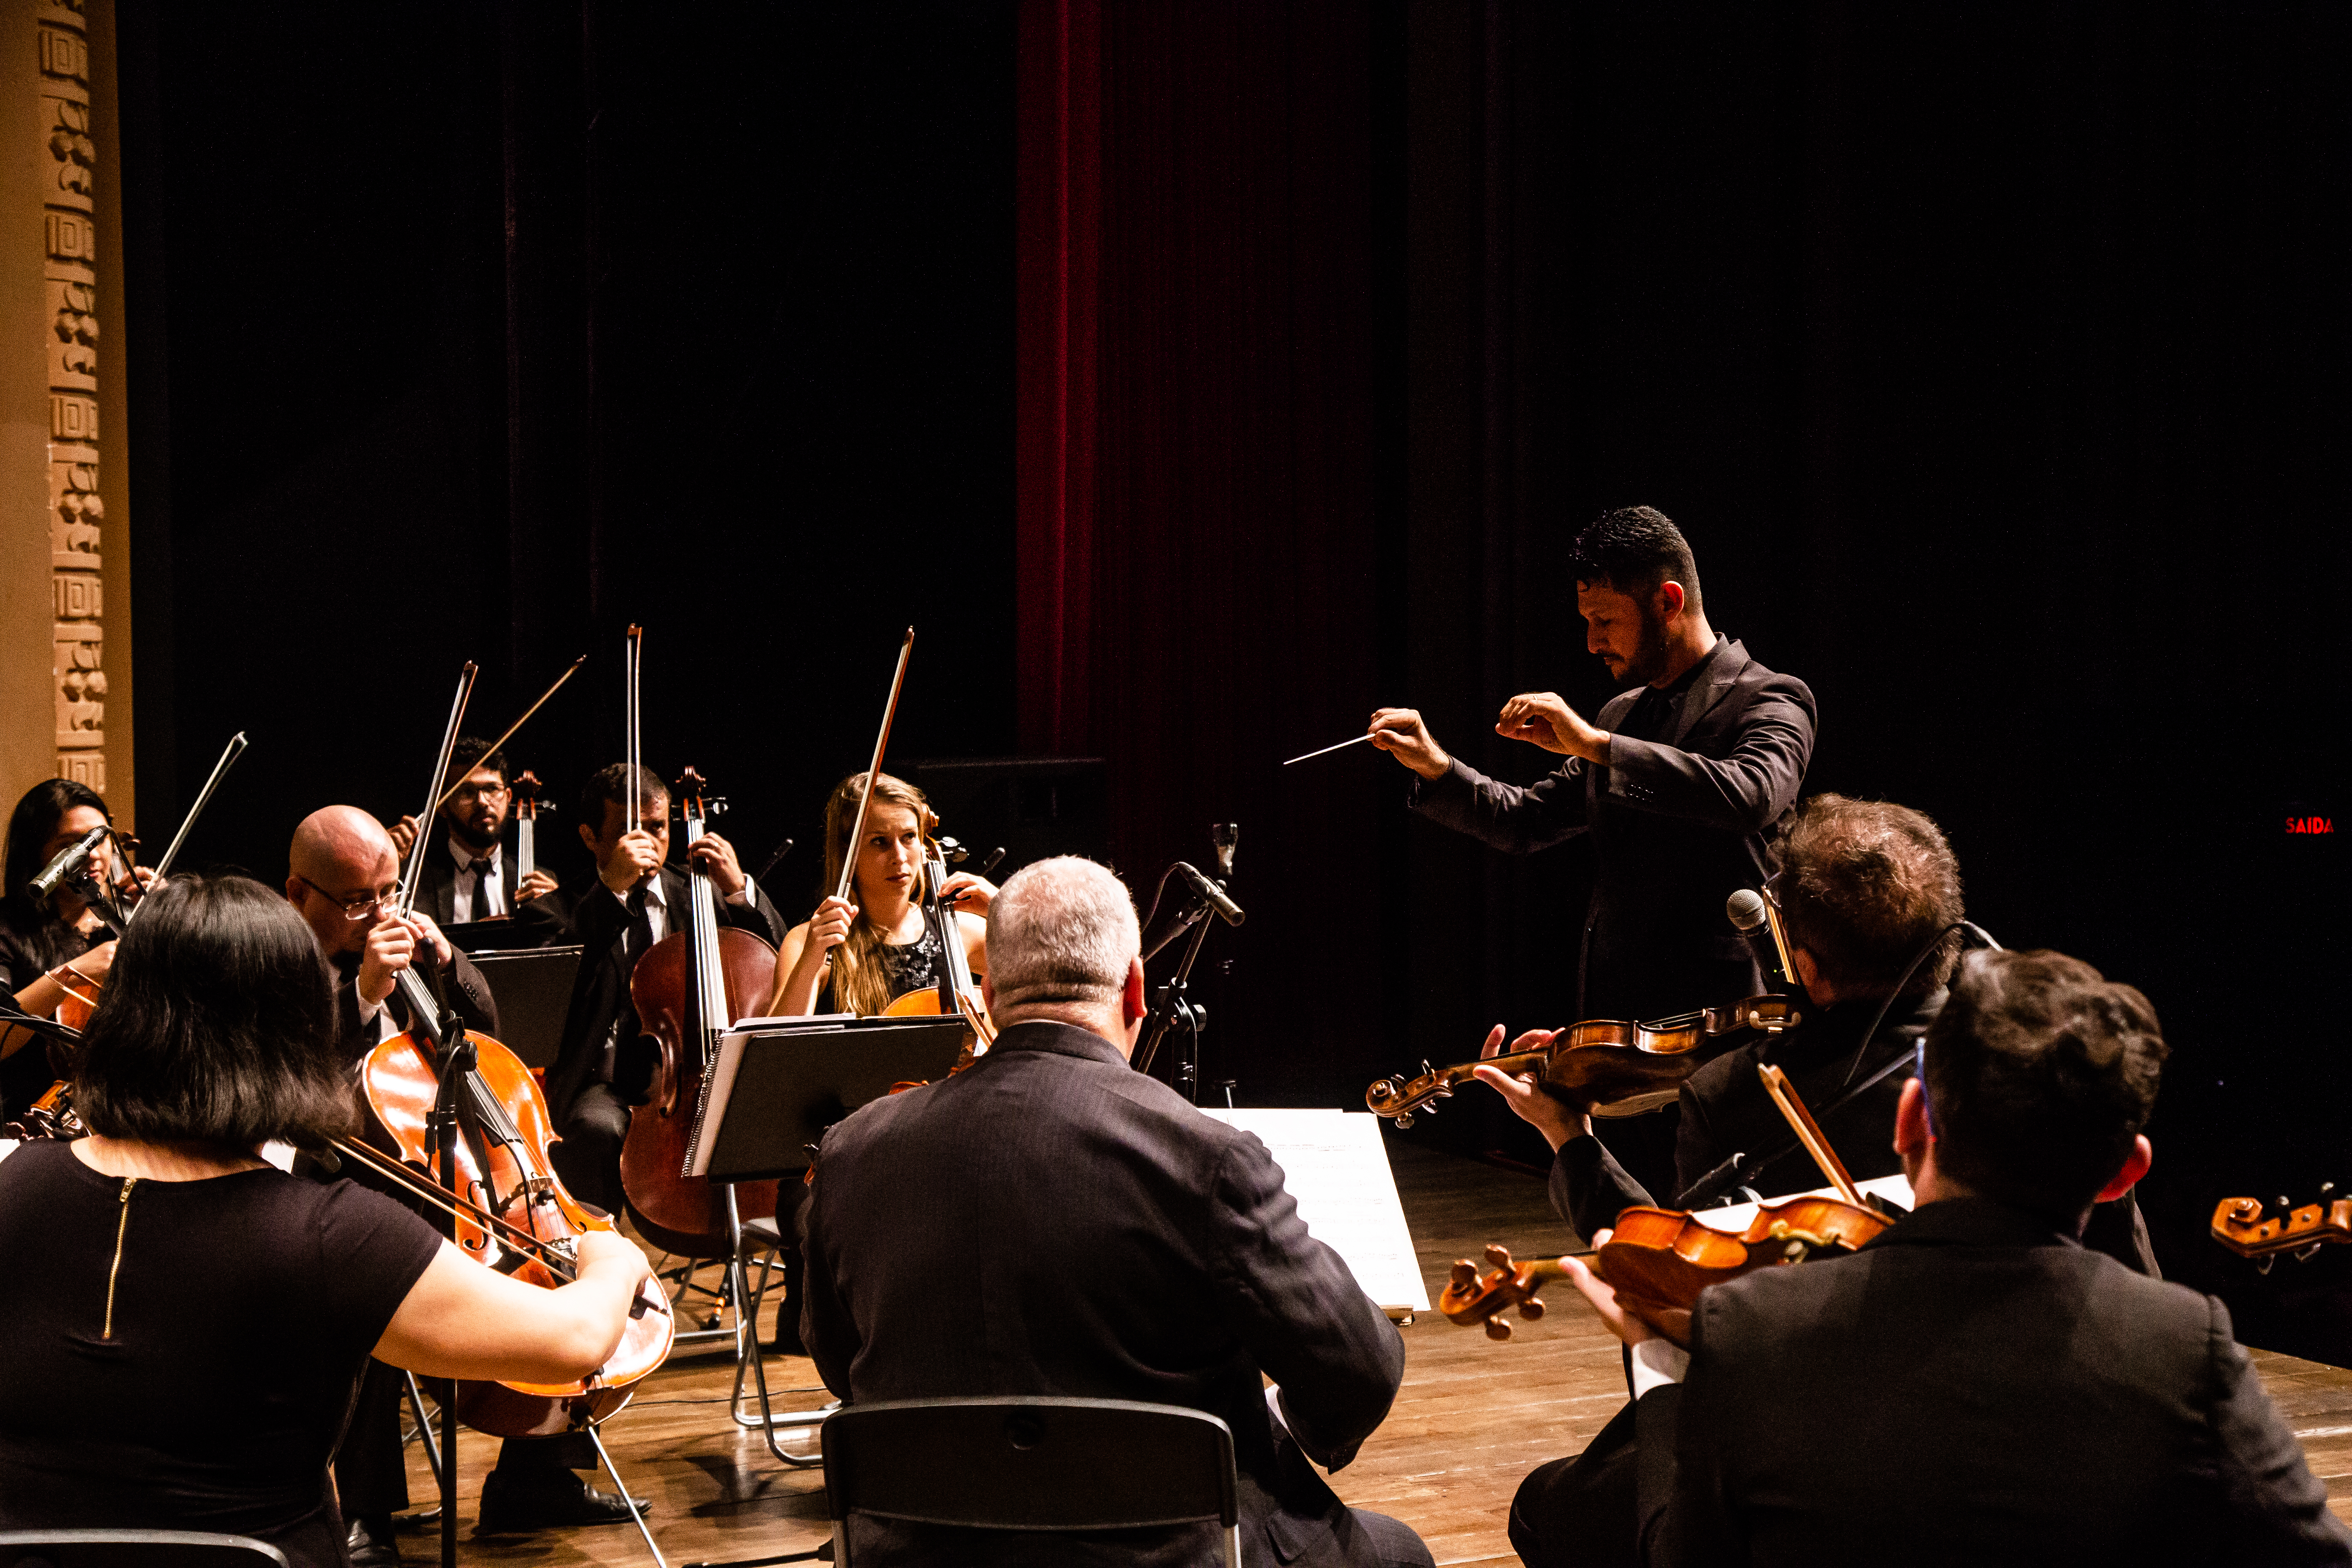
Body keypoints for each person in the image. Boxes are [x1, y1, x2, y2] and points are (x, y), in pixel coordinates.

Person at [1486, 795, 2156, 1568]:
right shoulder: (2026, 1064)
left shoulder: (1740, 1089)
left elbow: (1684, 1268)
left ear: (1801, 963)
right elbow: (2128, 1270)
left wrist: (1567, 1135)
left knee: (1547, 1504)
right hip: (2039, 1430)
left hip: (1811, 1435)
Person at [1543, 948, 2352, 1566]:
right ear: (2125, 1174)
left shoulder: (1752, 1328)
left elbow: (1674, 1556)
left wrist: (1660, 1366)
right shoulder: (2184, 1343)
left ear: (1908, 1122)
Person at [800, 856, 1434, 1568]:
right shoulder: (1205, 1157)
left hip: (921, 1551)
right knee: (1397, 1551)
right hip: (1161, 1553)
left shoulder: (849, 1152)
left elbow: (837, 1360)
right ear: (1135, 987)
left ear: (988, 991)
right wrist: (1293, 1424)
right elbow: (1358, 1374)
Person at [0, 875, 648, 1568]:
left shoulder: (11, 1174)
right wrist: (611, 1254)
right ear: (296, 1033)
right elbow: (577, 1338)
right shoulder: (333, 1234)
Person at [1370, 505, 1816, 1024]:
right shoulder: (1621, 714)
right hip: (1620, 1018)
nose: (1592, 643)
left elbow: (1752, 794)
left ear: (1669, 602)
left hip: (1730, 1016)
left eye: (1605, 621)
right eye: (1588, 623)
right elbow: (1524, 821)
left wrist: (1600, 746)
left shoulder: (1770, 697)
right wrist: (1435, 766)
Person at [541, 764, 783, 1222]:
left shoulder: (701, 893)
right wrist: (611, 891)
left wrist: (738, 890)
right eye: (628, 831)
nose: (647, 843)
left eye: (656, 828)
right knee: (596, 1128)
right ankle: (593, 1249)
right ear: (590, 837)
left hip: (699, 1069)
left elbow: (774, 960)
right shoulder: (561, 908)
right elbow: (558, 989)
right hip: (608, 1081)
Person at [766, 770, 994, 1018]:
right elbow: (775, 1046)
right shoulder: (810, 943)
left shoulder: (957, 931)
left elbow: (1040, 979)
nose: (899, 857)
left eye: (909, 837)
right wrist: (811, 959)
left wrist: (1002, 908)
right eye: (879, 842)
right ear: (847, 853)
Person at [285, 806, 498, 1064]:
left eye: (389, 894)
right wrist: (363, 998)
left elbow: (488, 1037)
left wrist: (449, 967)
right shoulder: (271, 965)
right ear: (299, 894)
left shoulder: (410, 954)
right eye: (359, 904)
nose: (382, 917)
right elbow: (294, 1073)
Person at [0, 778, 154, 1118]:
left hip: (130, 1118)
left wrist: (171, 910)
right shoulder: (6, 928)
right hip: (27, 1122)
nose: (93, 854)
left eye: (100, 839)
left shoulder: (134, 917)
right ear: (37, 853)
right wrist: (73, 973)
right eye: (70, 844)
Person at [384, 736, 564, 940]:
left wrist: (560, 913)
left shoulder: (540, 879)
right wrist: (384, 869)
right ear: (442, 805)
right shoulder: (413, 879)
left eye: (491, 789)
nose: (483, 802)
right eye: (466, 792)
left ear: (508, 797)